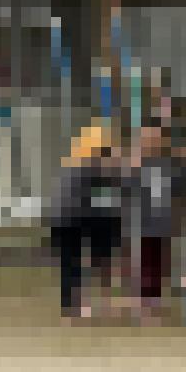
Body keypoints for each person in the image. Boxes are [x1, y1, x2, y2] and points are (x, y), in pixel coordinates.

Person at [48, 121, 121, 320]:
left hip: (73, 219)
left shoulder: (76, 166)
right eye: (105, 151)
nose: (108, 155)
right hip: (72, 219)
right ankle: (76, 305)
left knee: (76, 263)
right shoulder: (87, 170)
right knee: (74, 264)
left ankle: (79, 304)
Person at [124, 121, 179, 322]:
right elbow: (128, 190)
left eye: (155, 138)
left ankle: (155, 300)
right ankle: (143, 301)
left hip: (162, 221)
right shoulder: (137, 165)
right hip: (143, 221)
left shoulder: (167, 165)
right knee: (144, 262)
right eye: (148, 139)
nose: (152, 142)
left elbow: (175, 190)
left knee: (159, 263)